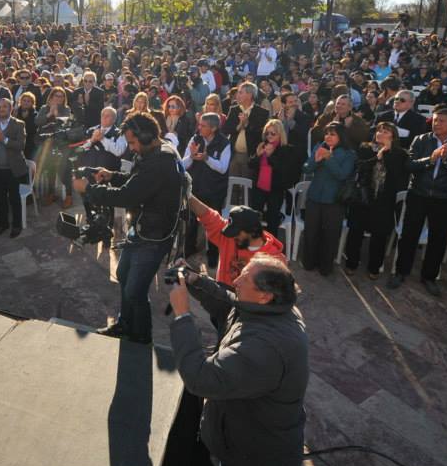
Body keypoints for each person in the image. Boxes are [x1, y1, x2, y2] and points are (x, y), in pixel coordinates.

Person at [168, 253, 308, 466]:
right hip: (241, 439)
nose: (236, 282)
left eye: (244, 279)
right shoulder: (273, 308)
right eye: (242, 274)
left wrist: (182, 316)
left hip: (256, 460)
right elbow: (230, 303)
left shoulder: (265, 349)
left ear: (264, 296)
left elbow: (200, 379)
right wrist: (196, 280)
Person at [72, 112, 185, 344]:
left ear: (147, 136)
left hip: (154, 236)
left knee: (135, 289)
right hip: (143, 228)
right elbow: (137, 180)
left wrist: (90, 190)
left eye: (133, 142)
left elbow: (128, 196)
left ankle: (141, 337)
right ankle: (125, 325)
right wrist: (112, 176)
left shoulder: (160, 161)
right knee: (123, 274)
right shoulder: (153, 152)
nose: (131, 148)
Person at [388, 108, 447, 295]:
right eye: (435, 120)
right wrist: (430, 159)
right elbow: (409, 165)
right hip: (418, 194)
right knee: (409, 235)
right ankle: (401, 272)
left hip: (444, 198)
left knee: (438, 239)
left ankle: (429, 277)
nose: (436, 123)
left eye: (442, 121)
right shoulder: (421, 140)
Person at [343, 122, 410, 278]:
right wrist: (378, 156)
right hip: (363, 197)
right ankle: (351, 264)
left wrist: (387, 154)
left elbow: (399, 177)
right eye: (379, 130)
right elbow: (360, 167)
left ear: (393, 136)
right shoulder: (365, 147)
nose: (381, 132)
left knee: (379, 235)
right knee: (355, 231)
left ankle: (374, 267)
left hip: (384, 201)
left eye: (386, 131)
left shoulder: (400, 154)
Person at [187, 196, 287, 285]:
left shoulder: (274, 260)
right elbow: (208, 215)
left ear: (253, 231)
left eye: (237, 233)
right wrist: (188, 194)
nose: (233, 237)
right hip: (223, 298)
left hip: (249, 305)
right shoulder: (230, 238)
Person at [301, 123, 357, 276]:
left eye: (332, 134)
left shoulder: (349, 154)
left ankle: (325, 267)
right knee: (311, 232)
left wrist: (329, 158)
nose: (328, 137)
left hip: (334, 201)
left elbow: (342, 175)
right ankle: (308, 262)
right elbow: (306, 168)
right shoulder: (319, 146)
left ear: (341, 136)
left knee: (330, 235)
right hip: (314, 197)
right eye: (327, 133)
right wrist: (316, 160)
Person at [182, 113, 232, 267]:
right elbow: (183, 164)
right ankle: (187, 251)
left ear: (214, 128)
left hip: (214, 191)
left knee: (214, 225)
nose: (199, 128)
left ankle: (213, 256)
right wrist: (191, 156)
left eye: (203, 126)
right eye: (200, 124)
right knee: (190, 222)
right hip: (195, 189)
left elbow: (223, 168)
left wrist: (207, 158)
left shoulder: (224, 143)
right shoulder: (195, 139)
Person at [248, 119, 302, 238]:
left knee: (273, 221)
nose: (269, 136)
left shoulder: (286, 149)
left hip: (275, 189)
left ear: (280, 134)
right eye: (267, 133)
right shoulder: (262, 145)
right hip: (259, 187)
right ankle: (255, 245)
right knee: (254, 220)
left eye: (273, 133)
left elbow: (284, 170)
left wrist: (270, 156)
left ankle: (271, 248)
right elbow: (251, 164)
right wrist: (258, 155)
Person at [0, 97, 28, 238]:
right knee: (0, 199)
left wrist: (5, 139)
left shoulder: (19, 124)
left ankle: (17, 225)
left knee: (14, 199)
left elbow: (21, 146)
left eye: (5, 106)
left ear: (11, 109)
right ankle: (3, 224)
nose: (1, 109)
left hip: (13, 169)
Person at [224, 82, 269, 179]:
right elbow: (226, 129)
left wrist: (247, 124)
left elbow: (260, 134)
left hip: (250, 156)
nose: (237, 95)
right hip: (234, 154)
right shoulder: (234, 110)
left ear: (249, 95)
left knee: (248, 186)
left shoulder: (262, 112)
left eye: (240, 93)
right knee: (232, 186)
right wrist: (240, 125)